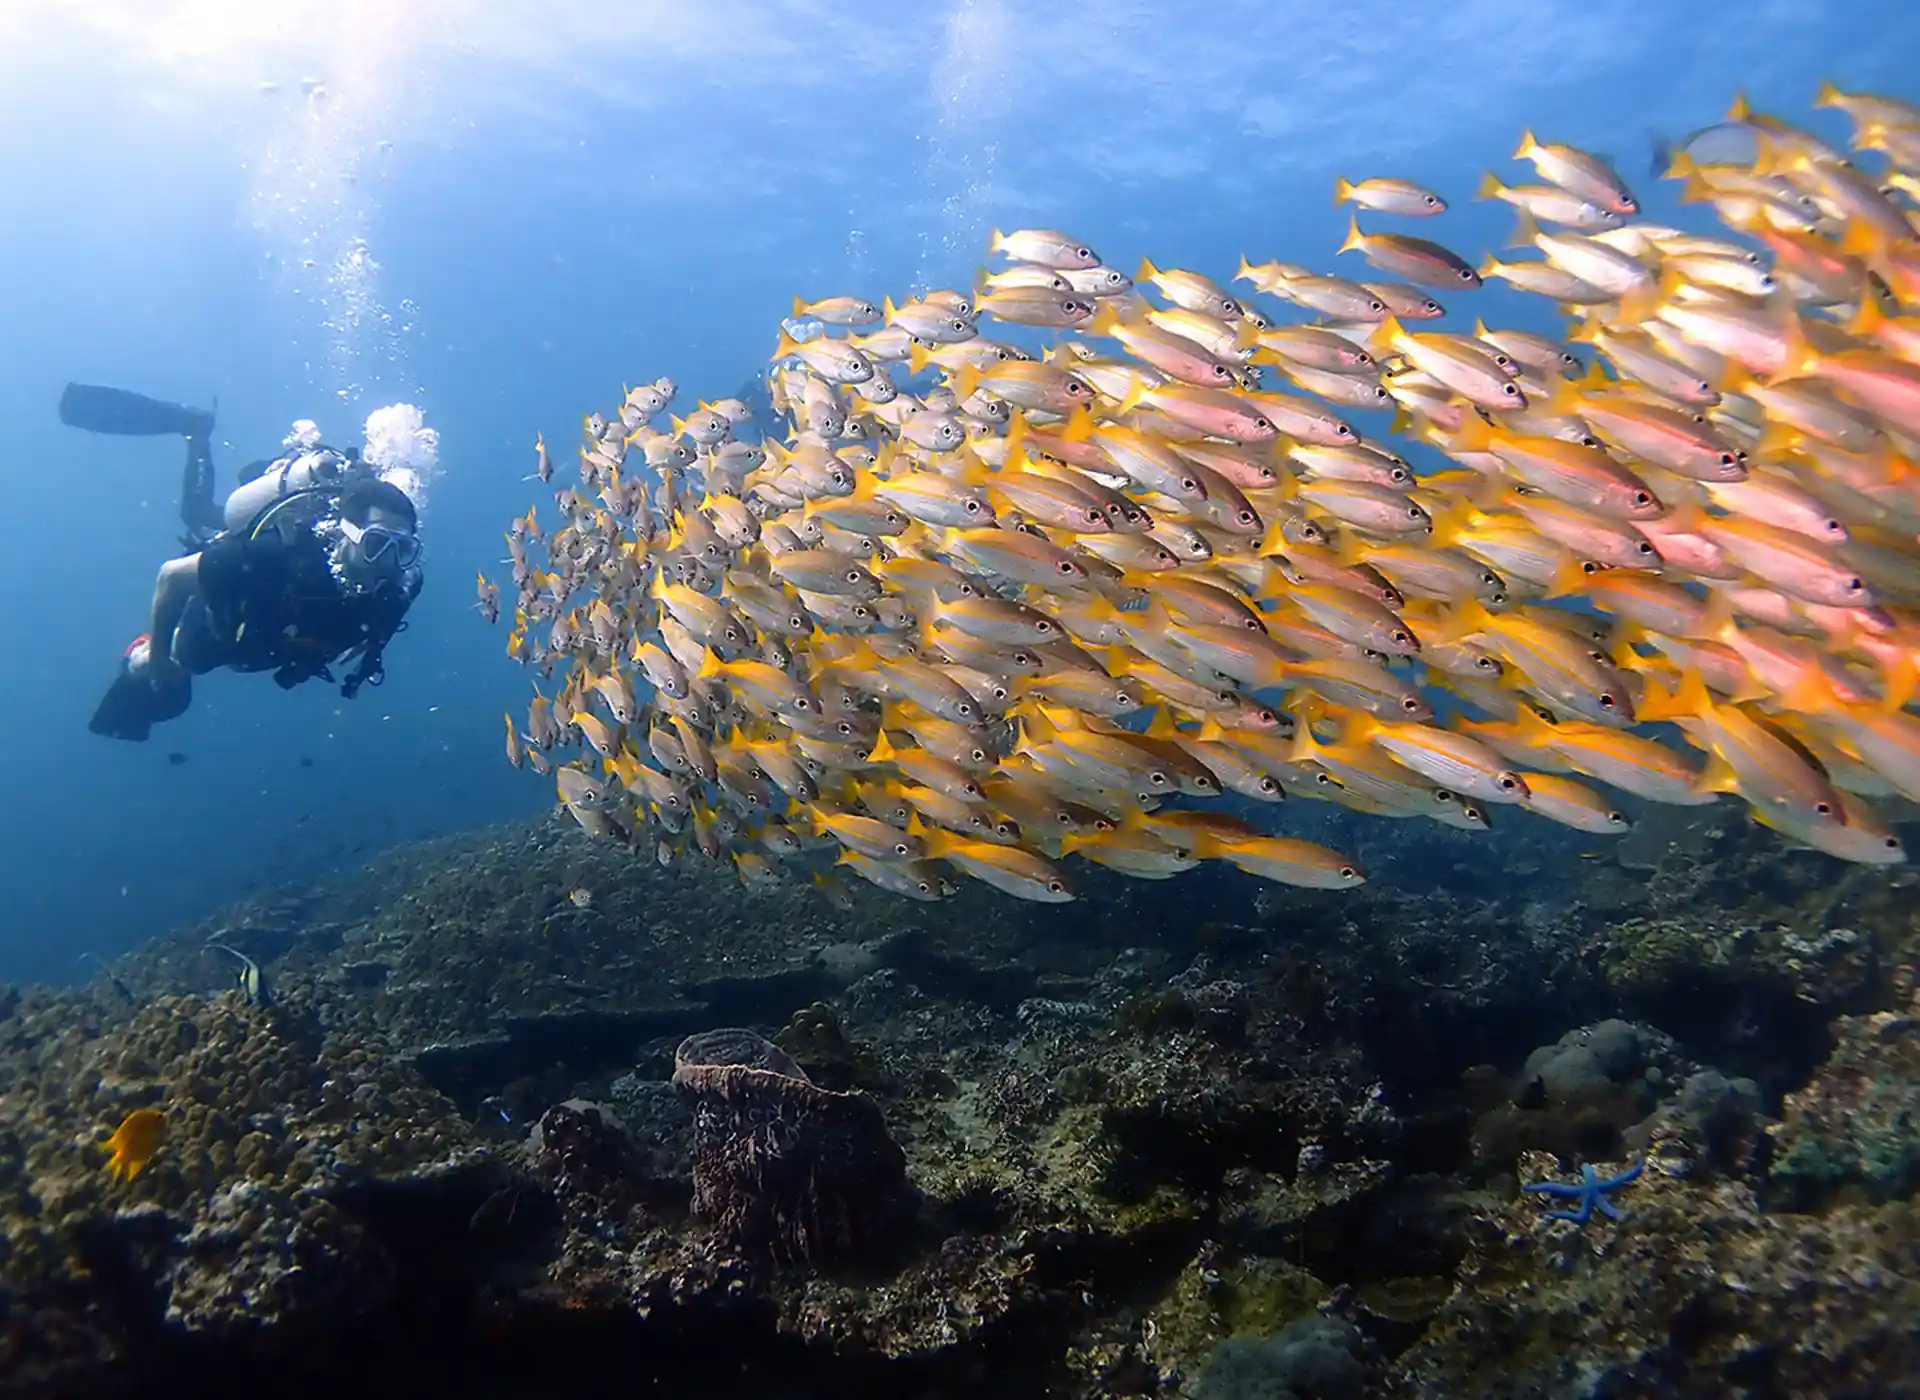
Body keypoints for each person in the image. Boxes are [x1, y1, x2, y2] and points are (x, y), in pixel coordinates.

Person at [64, 385, 427, 741]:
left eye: (403, 550)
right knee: (187, 651)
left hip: (264, 635)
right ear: (347, 532)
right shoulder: (283, 555)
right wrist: (158, 659)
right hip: (230, 608)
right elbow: (172, 577)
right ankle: (195, 431)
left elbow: (394, 599)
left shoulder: (397, 588)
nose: (389, 563)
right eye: (377, 544)